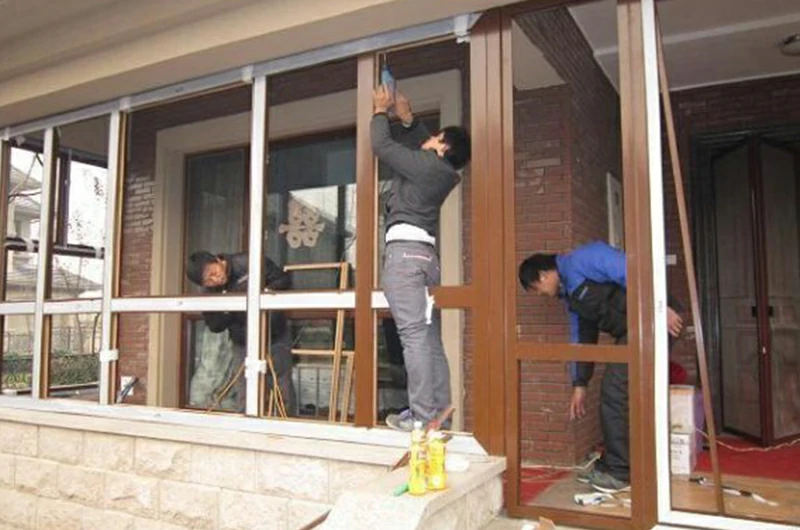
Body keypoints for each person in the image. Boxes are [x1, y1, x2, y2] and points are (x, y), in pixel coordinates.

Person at [518, 241, 683, 493]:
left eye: (537, 289)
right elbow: (582, 340)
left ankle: (621, 472)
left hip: (655, 320)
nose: (541, 294)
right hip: (632, 333)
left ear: (543, 275)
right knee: (617, 394)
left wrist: (661, 307)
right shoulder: (572, 297)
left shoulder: (584, 259)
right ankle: (614, 463)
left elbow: (634, 271)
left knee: (614, 392)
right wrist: (579, 384)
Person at [371, 84, 471, 431]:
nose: (428, 140)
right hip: (426, 258)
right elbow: (419, 145)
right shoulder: (441, 172)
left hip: (405, 257)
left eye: (435, 138)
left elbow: (382, 145)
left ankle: (421, 416)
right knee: (427, 338)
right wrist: (411, 120)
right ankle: (439, 412)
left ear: (442, 147)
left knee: (412, 336)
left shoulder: (428, 167)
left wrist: (380, 111)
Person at [186, 250, 296, 416]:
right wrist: (229, 310)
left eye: (214, 273)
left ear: (218, 260)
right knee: (245, 390)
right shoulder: (210, 293)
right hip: (242, 341)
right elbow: (214, 325)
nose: (215, 280)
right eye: (208, 281)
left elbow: (283, 280)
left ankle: (288, 427)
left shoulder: (247, 263)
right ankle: (247, 430)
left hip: (274, 333)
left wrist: (265, 292)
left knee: (282, 386)